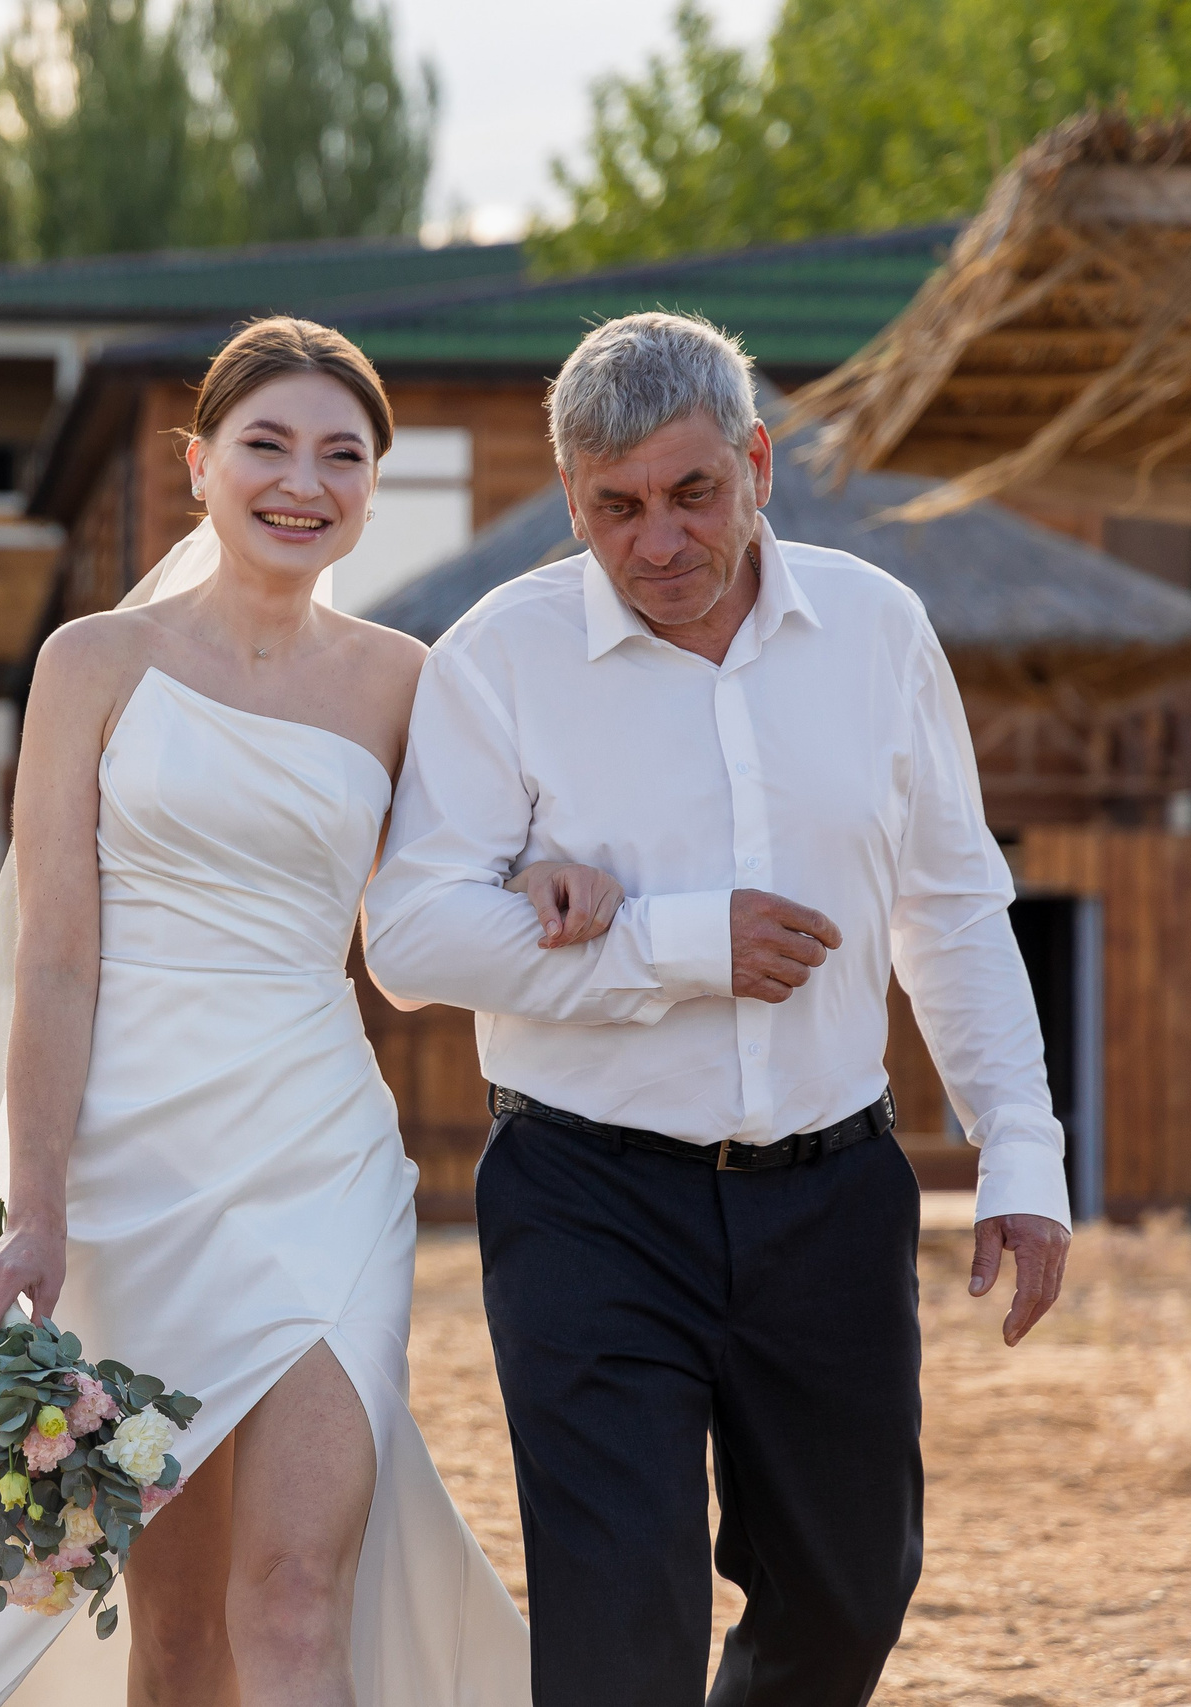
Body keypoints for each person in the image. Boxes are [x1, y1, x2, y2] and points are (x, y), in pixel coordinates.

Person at [0, 316, 532, 1707]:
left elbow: (442, 902)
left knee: (291, 1597)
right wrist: (38, 1209)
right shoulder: (92, 662)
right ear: (200, 463)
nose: (303, 480)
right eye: (267, 444)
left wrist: (552, 878)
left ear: (371, 488)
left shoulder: (409, 683)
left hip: (322, 1157)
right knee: (172, 1632)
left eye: (343, 454)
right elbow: (56, 964)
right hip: (131, 1175)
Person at [363, 310, 1074, 1706]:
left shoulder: (879, 628)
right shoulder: (497, 659)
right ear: (571, 500)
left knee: (850, 1590)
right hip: (586, 1199)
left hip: (833, 1192)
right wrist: (683, 945)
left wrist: (1022, 1150)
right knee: (622, 1621)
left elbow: (952, 904)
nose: (659, 542)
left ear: (756, 462)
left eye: (694, 493)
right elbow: (409, 937)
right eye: (615, 508)